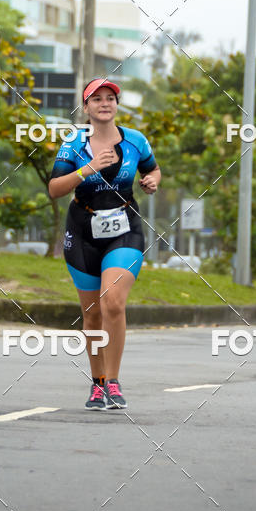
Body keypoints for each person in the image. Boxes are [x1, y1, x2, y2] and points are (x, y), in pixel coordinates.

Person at [48, 79, 161, 409]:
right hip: (82, 232)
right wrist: (89, 168)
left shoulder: (136, 140)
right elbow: (55, 189)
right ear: (86, 108)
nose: (104, 103)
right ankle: (97, 384)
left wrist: (152, 180)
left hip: (125, 229)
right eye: (96, 99)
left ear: (116, 104)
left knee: (112, 301)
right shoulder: (73, 144)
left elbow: (153, 171)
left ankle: (113, 380)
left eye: (110, 98)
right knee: (93, 313)